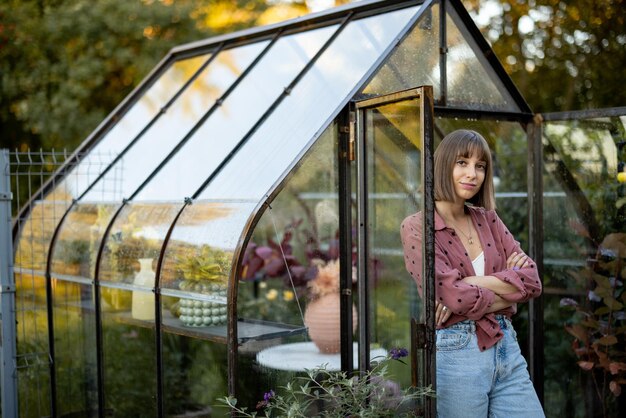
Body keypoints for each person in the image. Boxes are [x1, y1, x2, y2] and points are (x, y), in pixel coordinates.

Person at [400, 129, 544, 417]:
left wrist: (470, 282)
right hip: (457, 353)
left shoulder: (488, 219)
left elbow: (532, 281)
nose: (473, 173)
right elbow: (456, 298)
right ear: (443, 166)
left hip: (506, 346)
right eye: (462, 162)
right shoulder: (417, 227)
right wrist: (507, 294)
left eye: (480, 166)